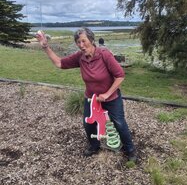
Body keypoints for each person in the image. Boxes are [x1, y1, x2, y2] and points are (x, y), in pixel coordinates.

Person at [36, 28, 137, 162]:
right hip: (92, 98)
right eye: (78, 42)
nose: (81, 45)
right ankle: (94, 146)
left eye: (84, 41)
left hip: (111, 98)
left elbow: (120, 76)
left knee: (119, 123)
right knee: (88, 124)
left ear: (92, 40)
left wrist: (107, 94)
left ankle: (130, 150)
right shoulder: (80, 57)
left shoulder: (104, 55)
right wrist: (46, 47)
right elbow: (59, 63)